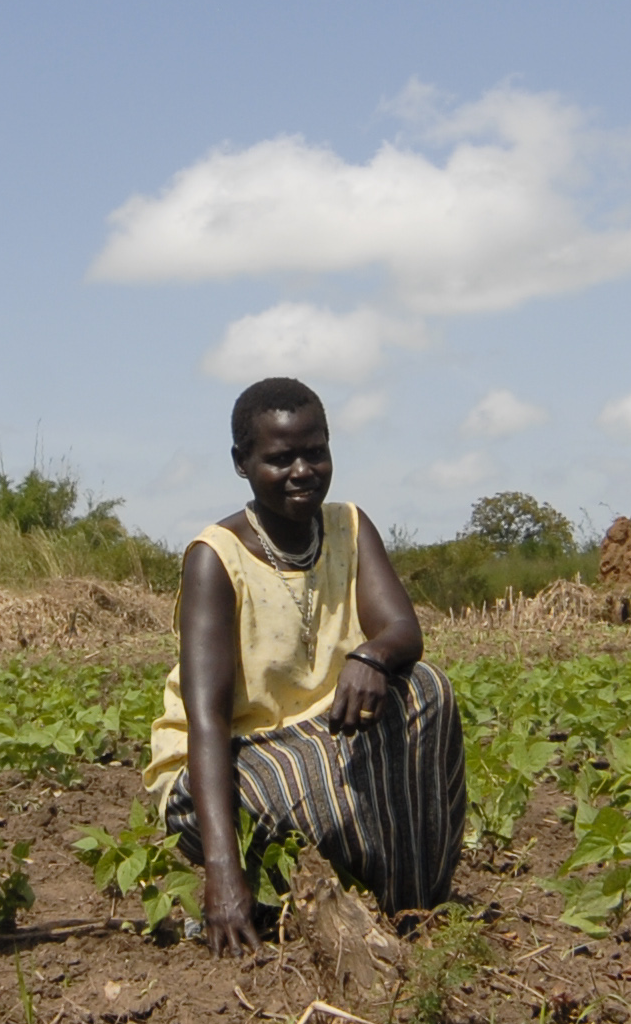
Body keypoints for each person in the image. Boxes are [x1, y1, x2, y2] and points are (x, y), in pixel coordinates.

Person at [147, 381, 465, 946]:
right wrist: (223, 871)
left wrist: (372, 655)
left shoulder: (349, 527)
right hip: (224, 774)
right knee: (324, 782)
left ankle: (410, 908)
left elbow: (402, 630)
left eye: (315, 452)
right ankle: (276, 895)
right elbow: (208, 723)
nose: (302, 470)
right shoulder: (215, 559)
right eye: (279, 458)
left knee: (426, 691)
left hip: (324, 738)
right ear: (242, 463)